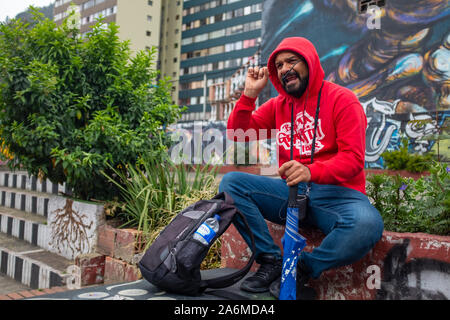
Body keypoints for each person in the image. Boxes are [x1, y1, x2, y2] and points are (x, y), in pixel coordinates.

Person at [218, 37, 384, 300]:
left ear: (310, 62)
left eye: (292, 61)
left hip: (338, 196)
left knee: (366, 224)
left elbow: (353, 159)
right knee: (232, 185)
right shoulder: (278, 106)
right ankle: (271, 261)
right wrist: (250, 94)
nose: (285, 69)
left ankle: (300, 268)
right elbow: (239, 133)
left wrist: (312, 171)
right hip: (292, 194)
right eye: (279, 65)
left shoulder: (343, 100)